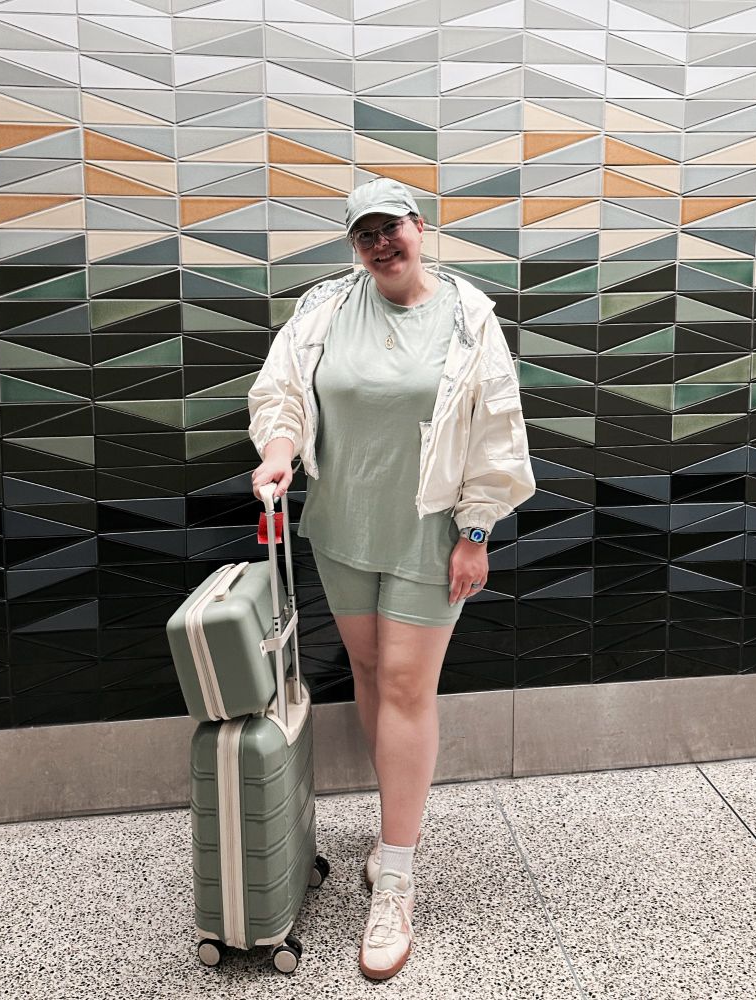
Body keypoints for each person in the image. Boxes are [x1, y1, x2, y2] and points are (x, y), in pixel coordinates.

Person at [247, 177, 535, 980]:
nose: (381, 243)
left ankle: (397, 880)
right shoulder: (324, 309)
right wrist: (277, 451)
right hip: (340, 530)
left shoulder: (468, 314)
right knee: (371, 675)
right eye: (364, 233)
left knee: (407, 687)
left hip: (428, 533)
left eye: (392, 227)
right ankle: (388, 835)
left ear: (419, 227)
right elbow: (283, 394)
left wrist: (475, 532)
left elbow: (497, 429)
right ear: (354, 245)